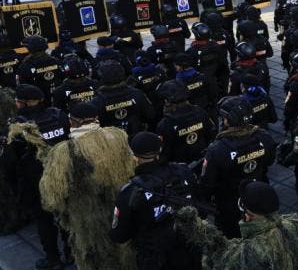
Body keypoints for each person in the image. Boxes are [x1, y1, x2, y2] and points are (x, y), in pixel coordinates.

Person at [38, 102, 136, 270]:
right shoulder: (118, 136)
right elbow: (132, 166)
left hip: (86, 218)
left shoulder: (64, 151)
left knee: (93, 257)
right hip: (120, 206)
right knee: (125, 249)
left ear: (72, 122)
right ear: (97, 119)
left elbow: (51, 196)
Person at [174, 181, 298, 270]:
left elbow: (219, 261)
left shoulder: (250, 251)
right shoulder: (297, 225)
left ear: (247, 214)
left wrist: (195, 226)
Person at [109, 131, 201, 270]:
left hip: (155, 260)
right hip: (189, 250)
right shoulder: (184, 171)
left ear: (134, 158)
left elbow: (119, 236)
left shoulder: (130, 192)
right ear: (159, 151)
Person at [6, 84, 71, 270]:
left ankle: (53, 259)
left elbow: (10, 161)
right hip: (62, 175)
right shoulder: (59, 116)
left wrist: (15, 187)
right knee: (65, 215)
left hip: (36, 181)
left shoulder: (18, 127)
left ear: (24, 103)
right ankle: (71, 252)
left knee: (44, 221)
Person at [199, 96, 276, 238]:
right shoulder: (264, 137)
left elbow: (207, 183)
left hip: (229, 201)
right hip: (258, 193)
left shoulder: (217, 149)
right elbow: (269, 161)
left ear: (228, 120)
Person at [155, 80, 214, 165]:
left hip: (178, 169)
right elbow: (211, 135)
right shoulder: (200, 112)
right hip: (202, 161)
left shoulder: (165, 124)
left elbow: (164, 154)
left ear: (167, 101)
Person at [93, 60, 155, 138]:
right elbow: (151, 115)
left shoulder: (97, 101)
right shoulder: (137, 94)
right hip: (137, 139)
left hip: (111, 142)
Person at [16, 35, 63, 104]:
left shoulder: (25, 66)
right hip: (58, 101)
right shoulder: (57, 61)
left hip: (38, 104)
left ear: (30, 49)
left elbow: (22, 88)